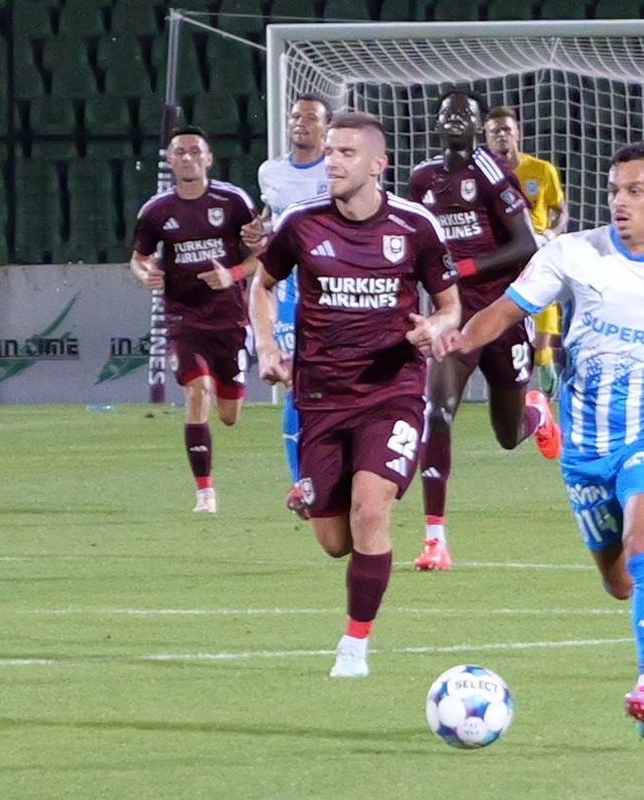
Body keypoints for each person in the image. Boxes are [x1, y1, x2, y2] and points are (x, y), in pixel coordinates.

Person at [433, 142, 644, 740]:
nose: (620, 202)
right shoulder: (574, 253)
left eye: (635, 191)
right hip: (585, 444)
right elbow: (505, 311)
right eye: (614, 190)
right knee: (618, 581)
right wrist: (461, 338)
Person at [247, 112, 461, 678]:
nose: (332, 162)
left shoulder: (415, 227)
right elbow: (262, 285)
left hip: (392, 392)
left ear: (377, 164)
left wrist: (433, 330)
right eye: (330, 153)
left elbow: (450, 306)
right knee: (335, 541)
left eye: (344, 153)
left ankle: (354, 646)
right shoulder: (300, 224)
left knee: (371, 510)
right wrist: (266, 346)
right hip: (319, 397)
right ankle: (313, 495)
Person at [408, 89, 559, 572]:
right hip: (452, 315)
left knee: (508, 434)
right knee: (437, 411)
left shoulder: (494, 176)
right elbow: (416, 247)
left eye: (464, 114)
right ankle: (436, 540)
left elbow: (526, 245)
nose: (454, 119)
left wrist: (463, 267)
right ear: (435, 124)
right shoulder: (422, 180)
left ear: (476, 128)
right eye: (446, 112)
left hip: (502, 313)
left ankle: (537, 413)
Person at [130, 125, 261, 513]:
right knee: (197, 390)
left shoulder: (233, 201)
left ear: (208, 158)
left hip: (231, 321)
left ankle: (233, 386)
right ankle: (205, 492)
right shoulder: (156, 211)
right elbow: (138, 258)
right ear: (170, 161)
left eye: (194, 151)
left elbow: (263, 255)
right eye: (179, 152)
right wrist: (145, 274)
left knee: (230, 415)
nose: (186, 158)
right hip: (184, 320)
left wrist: (232, 275)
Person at [245, 94, 333, 518]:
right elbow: (270, 221)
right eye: (296, 116)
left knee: (333, 386)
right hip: (290, 290)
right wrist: (257, 231)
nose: (301, 123)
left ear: (325, 127)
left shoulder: (337, 170)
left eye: (311, 118)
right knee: (296, 383)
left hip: (335, 287)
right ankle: (302, 482)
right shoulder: (270, 172)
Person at [484, 105, 569, 396]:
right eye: (495, 131)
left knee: (544, 302)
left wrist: (552, 233)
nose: (502, 135)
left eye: (507, 129)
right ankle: (514, 373)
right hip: (499, 255)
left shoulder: (541, 170)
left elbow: (559, 210)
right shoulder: (482, 175)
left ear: (517, 133)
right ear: (486, 137)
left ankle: (545, 360)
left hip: (535, 252)